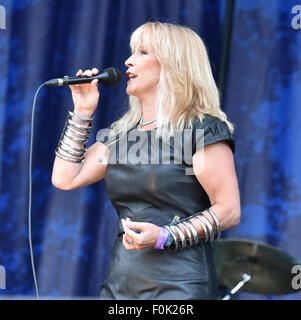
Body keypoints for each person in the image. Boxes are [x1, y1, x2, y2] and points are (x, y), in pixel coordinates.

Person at [51, 22, 241, 300]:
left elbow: (229, 210)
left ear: (174, 63)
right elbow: (65, 178)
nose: (128, 61)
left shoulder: (201, 129)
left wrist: (164, 236)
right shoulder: (120, 134)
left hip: (180, 285)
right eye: (131, 52)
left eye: (142, 52)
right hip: (121, 281)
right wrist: (82, 110)